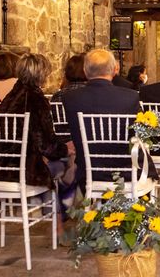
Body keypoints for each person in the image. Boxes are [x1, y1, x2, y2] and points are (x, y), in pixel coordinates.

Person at [62, 49, 145, 193]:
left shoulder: (70, 98)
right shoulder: (130, 97)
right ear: (114, 71)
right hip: (125, 172)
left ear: (85, 70)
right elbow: (140, 132)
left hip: (87, 171)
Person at [0, 54, 70, 188]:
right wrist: (66, 149)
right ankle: (58, 209)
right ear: (41, 74)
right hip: (25, 171)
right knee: (70, 165)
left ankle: (40, 205)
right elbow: (45, 145)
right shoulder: (35, 99)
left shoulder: (11, 97)